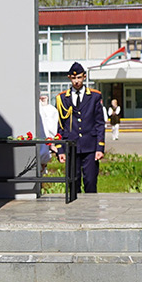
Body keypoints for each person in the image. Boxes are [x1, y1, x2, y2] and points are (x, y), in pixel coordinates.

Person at [54, 62, 106, 194]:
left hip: (90, 146)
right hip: (71, 146)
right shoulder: (62, 98)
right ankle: (73, 212)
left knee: (90, 181)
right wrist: (60, 150)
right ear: (69, 78)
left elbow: (99, 123)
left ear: (84, 77)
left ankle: (91, 212)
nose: (76, 81)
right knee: (73, 182)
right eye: (73, 78)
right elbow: (60, 125)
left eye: (79, 78)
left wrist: (100, 147)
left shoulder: (94, 96)